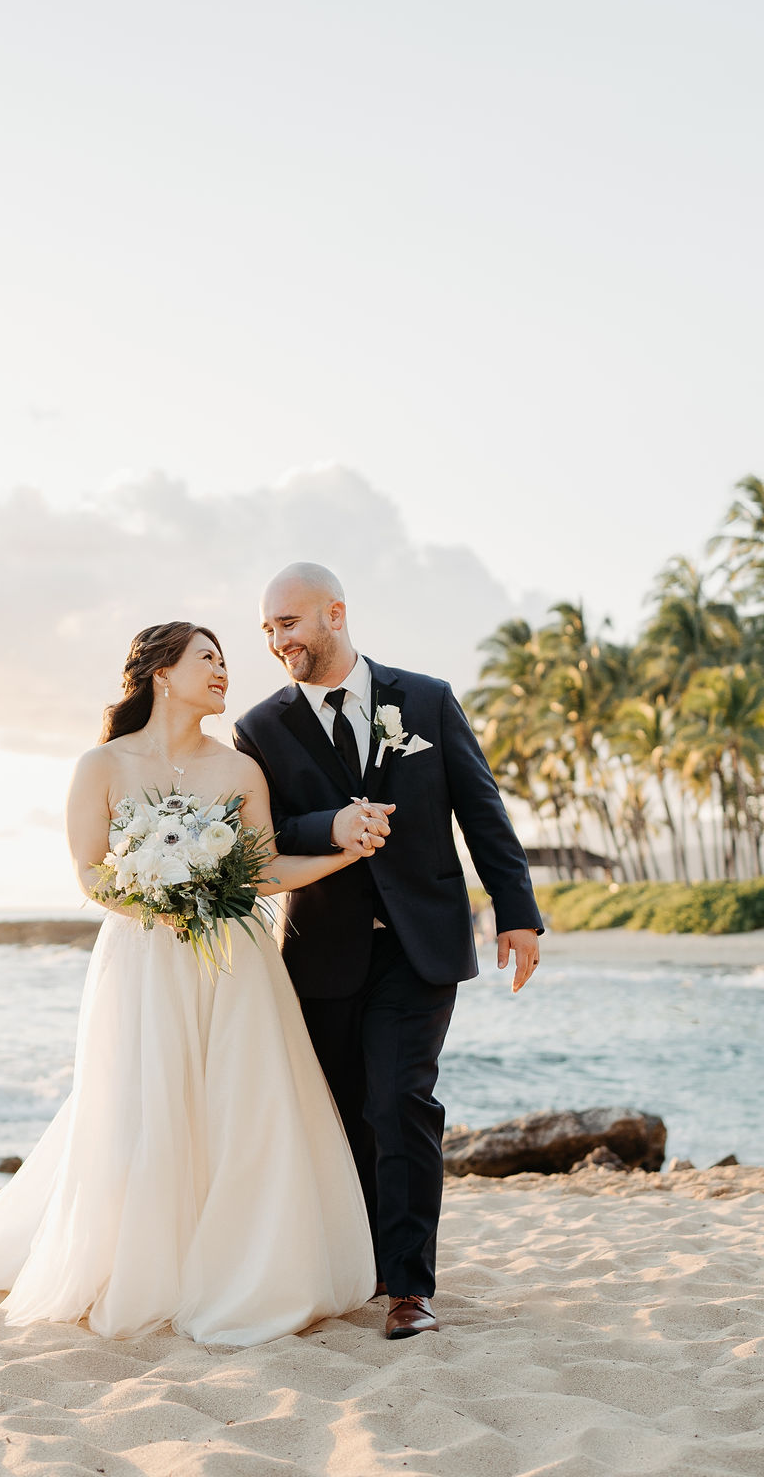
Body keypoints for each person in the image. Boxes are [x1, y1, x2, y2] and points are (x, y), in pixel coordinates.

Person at [0, 621, 376, 1347]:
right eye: (208, 659)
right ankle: (153, 1265)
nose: (224, 672)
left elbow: (263, 870)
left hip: (236, 963)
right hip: (146, 957)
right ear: (162, 673)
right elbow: (92, 875)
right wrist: (164, 899)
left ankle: (247, 1267)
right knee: (146, 1109)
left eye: (226, 662)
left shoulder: (240, 769)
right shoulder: (102, 766)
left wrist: (343, 854)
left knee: (245, 1109)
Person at [234, 563, 542, 1339]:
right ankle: (362, 1263)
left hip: (422, 943)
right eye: (268, 629)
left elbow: (481, 807)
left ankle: (409, 1288)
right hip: (320, 952)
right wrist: (330, 826)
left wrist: (518, 912)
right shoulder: (260, 728)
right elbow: (262, 835)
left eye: (289, 623)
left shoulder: (427, 699)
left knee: (400, 1100)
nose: (278, 642)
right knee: (345, 1115)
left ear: (335, 614)